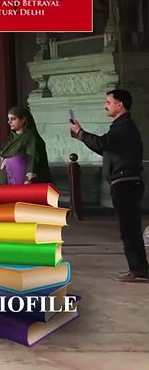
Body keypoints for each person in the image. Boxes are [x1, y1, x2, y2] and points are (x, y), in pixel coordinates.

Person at [70, 88, 147, 282]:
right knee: (129, 229)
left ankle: (139, 270)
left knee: (129, 230)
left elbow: (103, 144)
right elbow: (106, 149)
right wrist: (81, 135)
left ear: (120, 105)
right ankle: (138, 269)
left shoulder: (124, 127)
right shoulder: (121, 126)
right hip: (125, 182)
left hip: (126, 183)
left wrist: (81, 133)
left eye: (108, 102)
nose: (105, 106)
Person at [0, 106, 51, 185]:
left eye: (13, 119)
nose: (9, 122)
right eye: (9, 119)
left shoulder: (32, 138)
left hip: (24, 185)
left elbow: (33, 158)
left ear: (23, 120)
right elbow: (3, 161)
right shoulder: (11, 139)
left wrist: (29, 179)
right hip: (7, 184)